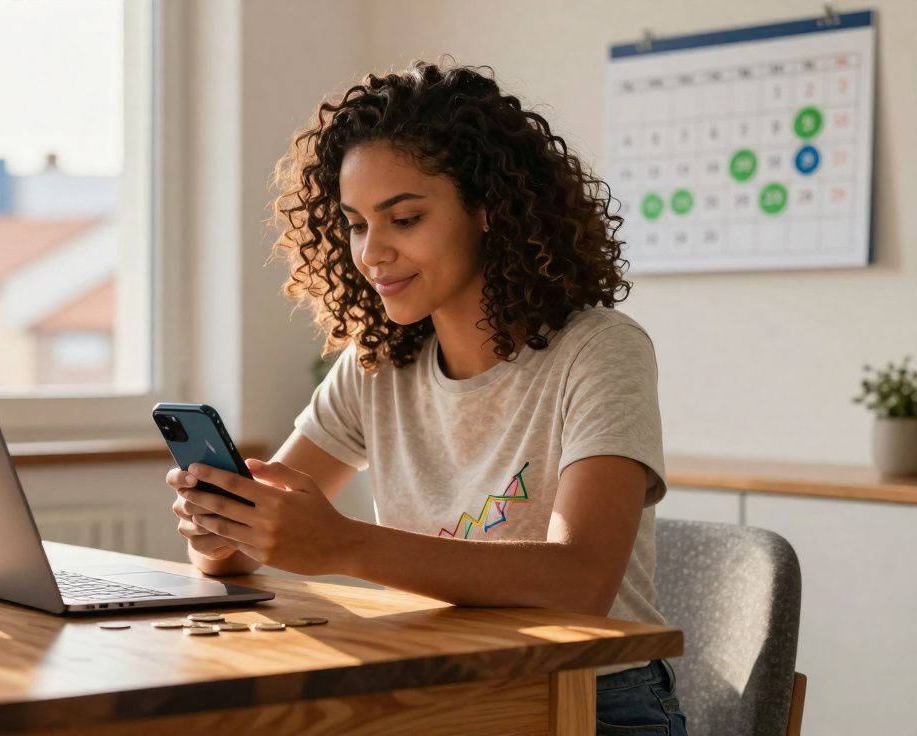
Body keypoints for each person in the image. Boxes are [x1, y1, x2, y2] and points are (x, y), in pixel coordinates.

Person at [166, 61, 687, 734]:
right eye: (355, 224)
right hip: (438, 685)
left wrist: (342, 546)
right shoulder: (376, 366)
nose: (371, 252)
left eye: (404, 218)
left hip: (594, 700)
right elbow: (238, 557)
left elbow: (580, 579)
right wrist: (219, 525)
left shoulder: (598, 350)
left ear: (488, 211)